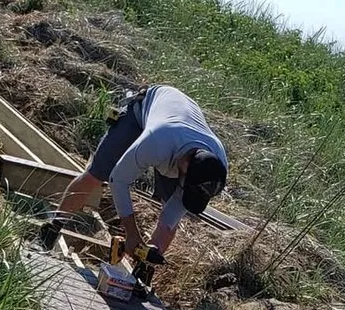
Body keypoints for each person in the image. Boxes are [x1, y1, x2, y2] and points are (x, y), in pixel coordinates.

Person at [45, 84, 228, 258]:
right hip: (143, 112)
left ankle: (142, 270)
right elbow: (118, 180)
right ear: (184, 167)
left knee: (169, 219)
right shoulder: (158, 141)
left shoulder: (214, 168)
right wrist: (132, 233)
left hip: (180, 129)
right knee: (96, 175)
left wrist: (148, 253)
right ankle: (53, 227)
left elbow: (169, 219)